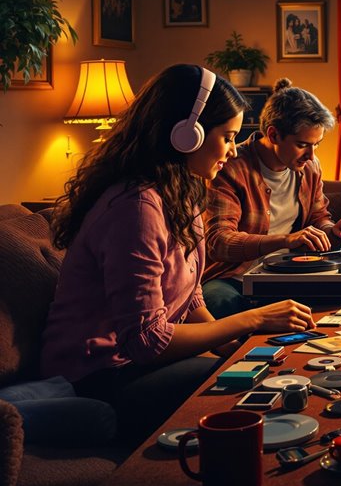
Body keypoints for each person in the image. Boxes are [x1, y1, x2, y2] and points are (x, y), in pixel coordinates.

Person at [41, 65, 316, 444]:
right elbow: (146, 341)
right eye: (228, 137)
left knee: (259, 371)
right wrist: (251, 321)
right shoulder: (136, 206)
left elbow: (189, 299)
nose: (234, 149)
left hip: (137, 363)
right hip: (98, 377)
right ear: (187, 135)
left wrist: (237, 351)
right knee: (244, 392)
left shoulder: (182, 192)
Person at [203, 78, 341, 319]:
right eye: (302, 145)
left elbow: (319, 217)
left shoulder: (310, 167)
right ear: (274, 134)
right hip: (233, 277)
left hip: (290, 271)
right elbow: (219, 242)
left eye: (316, 145)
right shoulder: (229, 168)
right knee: (218, 300)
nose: (311, 155)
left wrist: (333, 229)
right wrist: (285, 240)